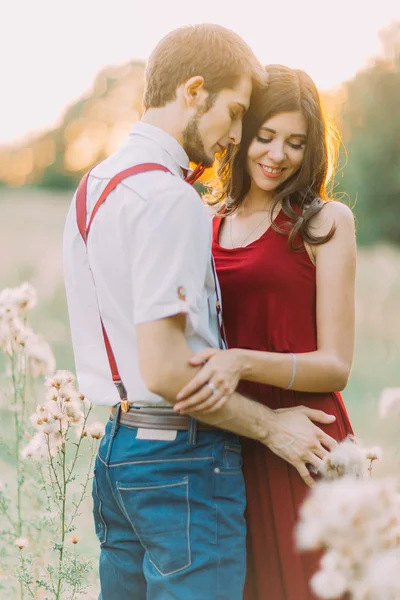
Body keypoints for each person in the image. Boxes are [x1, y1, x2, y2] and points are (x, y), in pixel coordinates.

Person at [63, 27, 338, 600]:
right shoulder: (170, 200)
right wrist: (271, 428)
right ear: (193, 92)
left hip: (118, 450)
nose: (233, 138)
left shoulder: (95, 185)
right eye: (237, 114)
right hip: (181, 458)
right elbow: (166, 369)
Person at [175, 64, 356, 600]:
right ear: (241, 134)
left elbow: (337, 364)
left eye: (296, 143)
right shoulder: (204, 221)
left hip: (309, 444)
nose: (277, 155)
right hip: (230, 439)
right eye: (265, 136)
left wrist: (241, 362)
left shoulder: (324, 222)